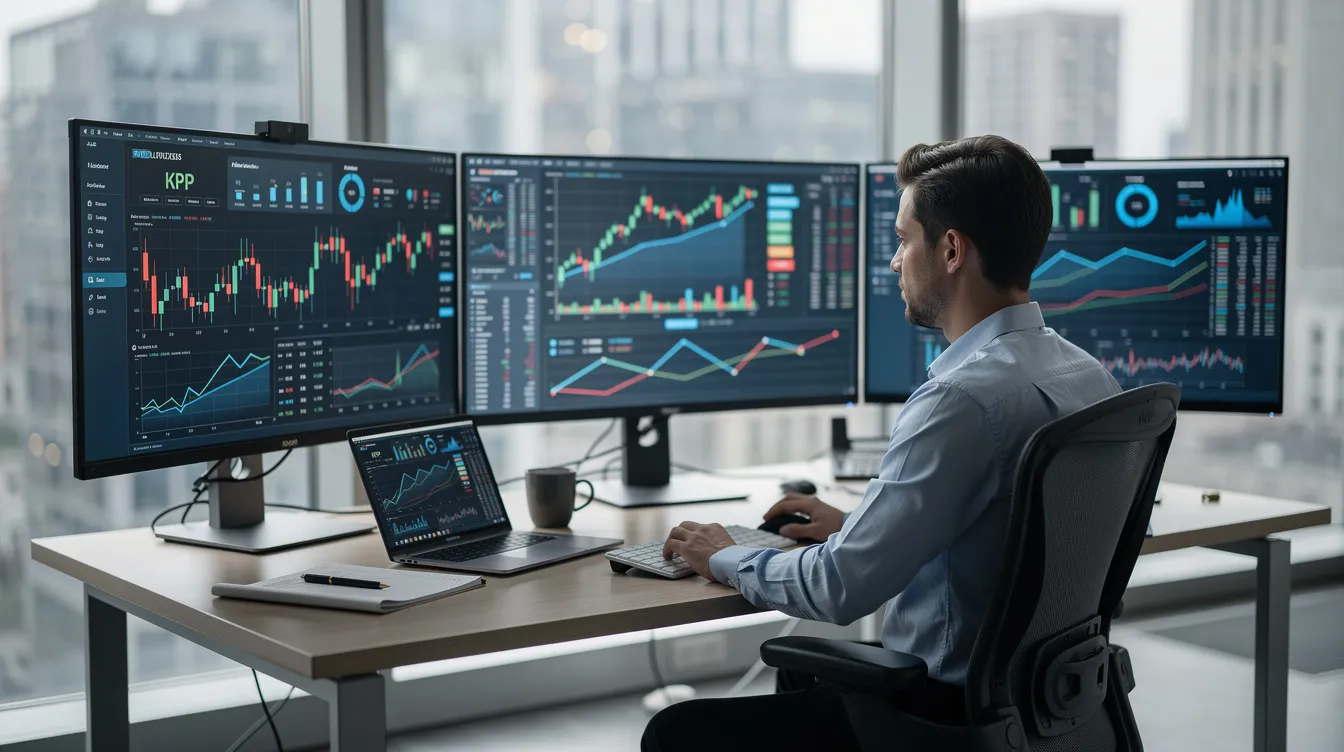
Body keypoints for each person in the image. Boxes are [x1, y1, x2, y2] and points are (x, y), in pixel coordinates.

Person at [641, 135, 1123, 752]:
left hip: (944, 719)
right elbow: (1014, 542)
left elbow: (840, 589)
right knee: (804, 670)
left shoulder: (962, 399)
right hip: (1046, 710)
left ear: (950, 249)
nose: (894, 262)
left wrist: (724, 554)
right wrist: (861, 525)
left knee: (674, 734)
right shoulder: (1087, 375)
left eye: (903, 239)